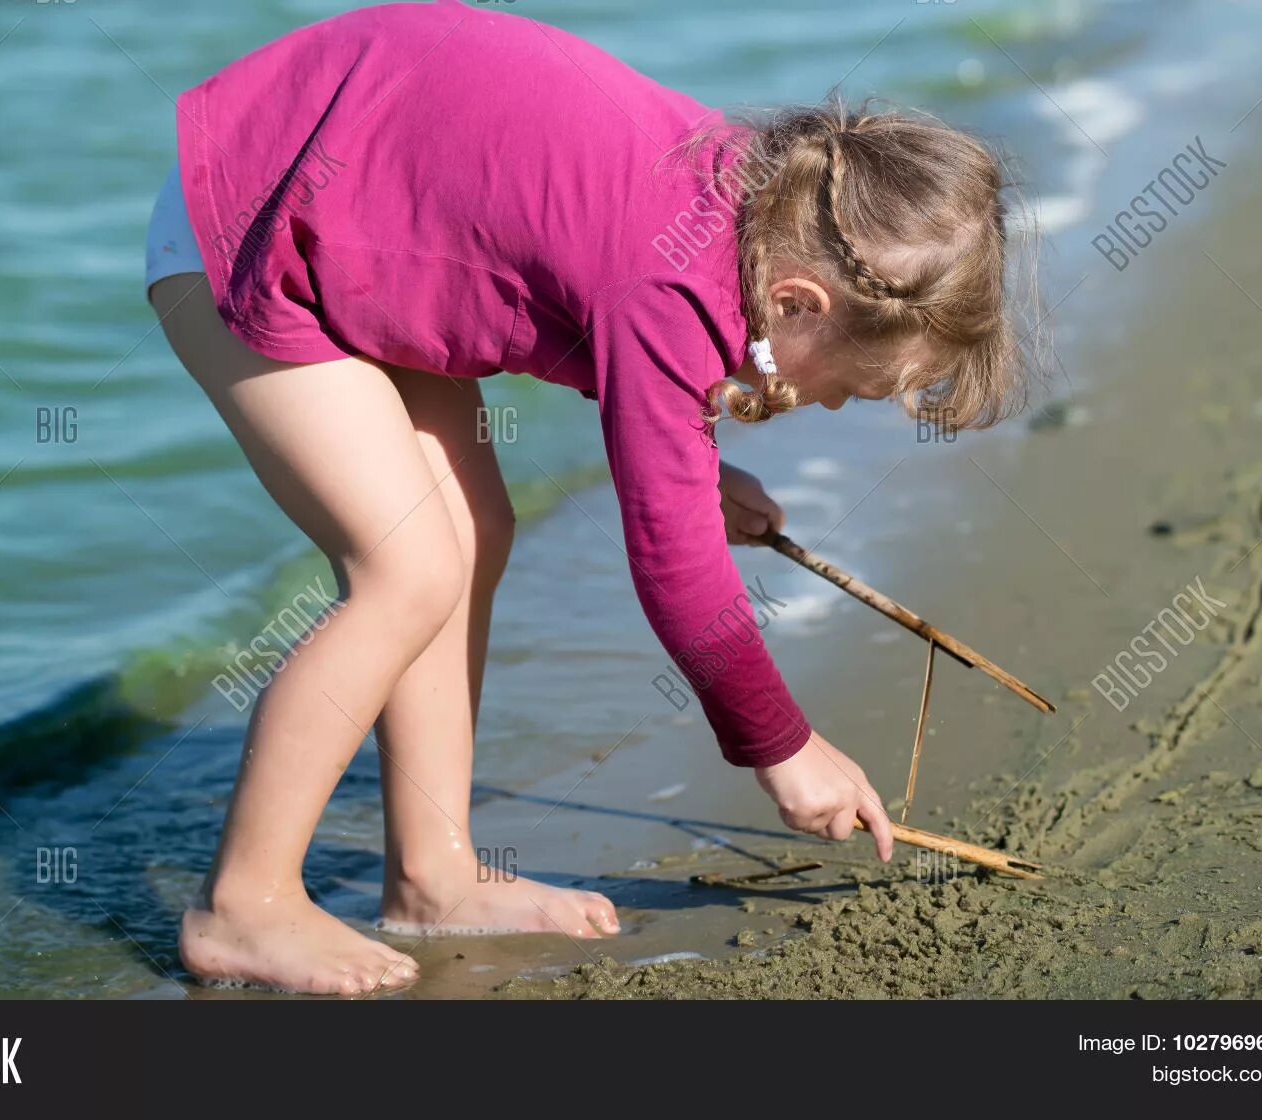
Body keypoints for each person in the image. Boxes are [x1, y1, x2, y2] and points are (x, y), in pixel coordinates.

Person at [146, 0, 1028, 995]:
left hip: (362, 195)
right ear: (799, 302)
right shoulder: (675, 285)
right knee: (406, 567)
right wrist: (784, 747)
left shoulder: (764, 203)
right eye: (851, 386)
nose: (828, 405)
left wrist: (694, 465)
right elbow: (675, 562)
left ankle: (432, 877)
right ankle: (243, 905)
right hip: (252, 211)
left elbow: (583, 282)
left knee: (474, 531)